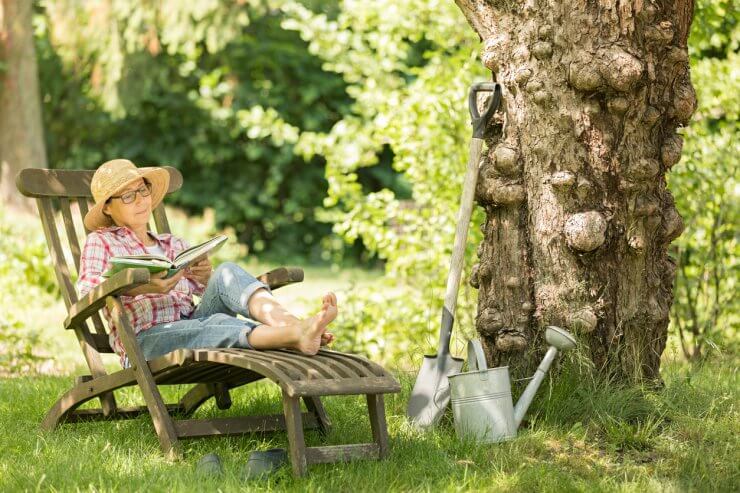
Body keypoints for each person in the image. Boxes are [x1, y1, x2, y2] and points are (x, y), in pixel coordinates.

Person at [77, 159, 336, 368]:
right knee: (214, 325)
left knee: (226, 273)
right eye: (128, 196)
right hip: (146, 338)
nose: (140, 200)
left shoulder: (171, 243)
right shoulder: (101, 242)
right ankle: (296, 336)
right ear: (108, 208)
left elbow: (202, 291)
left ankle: (294, 325)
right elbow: (88, 294)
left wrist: (204, 277)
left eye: (142, 190)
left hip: (191, 319)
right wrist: (143, 287)